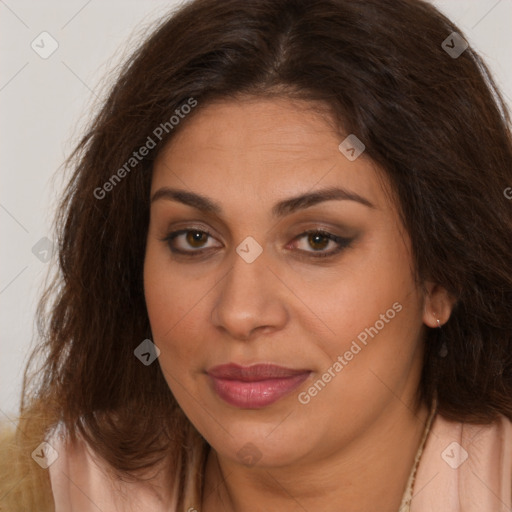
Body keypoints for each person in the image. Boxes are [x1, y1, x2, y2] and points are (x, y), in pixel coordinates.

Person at [1, 0, 512, 510]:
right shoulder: (44, 490)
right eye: (195, 239)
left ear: (441, 276)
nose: (240, 313)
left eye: (317, 240)